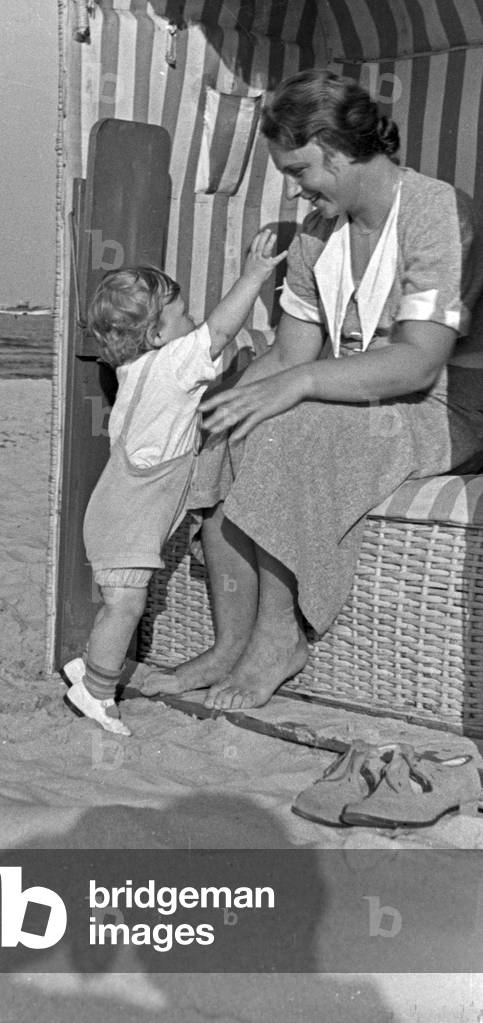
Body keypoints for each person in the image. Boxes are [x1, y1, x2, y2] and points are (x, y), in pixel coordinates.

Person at [141, 68, 483, 712]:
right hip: (363, 394)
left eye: (301, 172)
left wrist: (296, 387)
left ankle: (280, 639)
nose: (297, 192)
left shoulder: (437, 211)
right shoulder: (320, 234)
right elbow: (290, 353)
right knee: (226, 435)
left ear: (340, 150)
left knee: (290, 429)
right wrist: (207, 414)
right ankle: (226, 643)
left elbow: (416, 364)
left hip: (447, 403)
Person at [62, 231, 287, 735]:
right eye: (183, 316)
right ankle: (97, 694)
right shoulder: (170, 366)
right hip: (128, 522)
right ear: (160, 336)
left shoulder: (136, 368)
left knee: (118, 605)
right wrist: (253, 275)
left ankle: (89, 667)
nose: (192, 322)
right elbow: (220, 332)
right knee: (126, 606)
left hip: (115, 513)